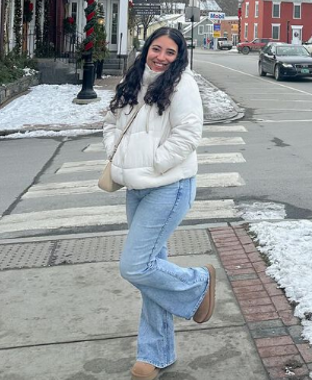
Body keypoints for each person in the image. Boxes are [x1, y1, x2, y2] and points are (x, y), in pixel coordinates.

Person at [104, 27, 214, 380]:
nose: (161, 57)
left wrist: (152, 163)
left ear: (178, 55)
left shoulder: (183, 85)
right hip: (135, 187)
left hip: (169, 185)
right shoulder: (134, 78)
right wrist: (116, 153)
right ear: (147, 49)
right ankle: (156, 353)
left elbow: (188, 135)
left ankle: (198, 283)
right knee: (152, 270)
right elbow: (111, 121)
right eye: (156, 49)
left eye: (170, 52)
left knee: (135, 266)